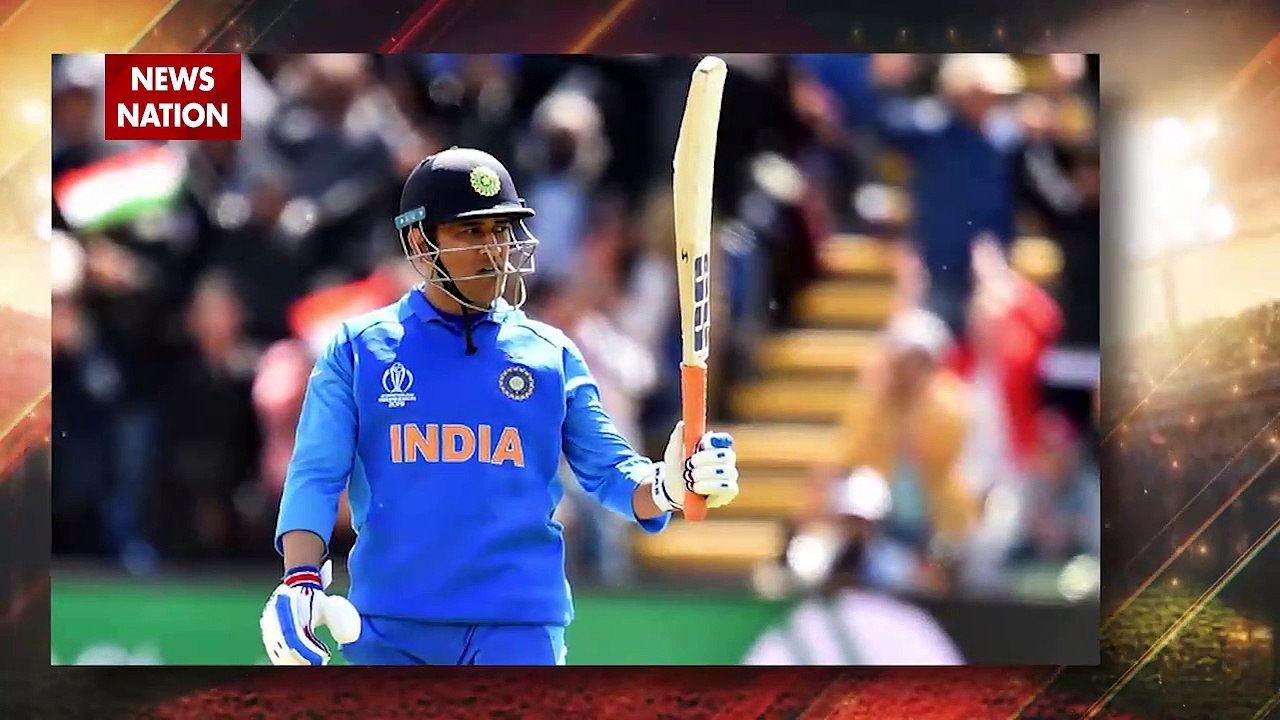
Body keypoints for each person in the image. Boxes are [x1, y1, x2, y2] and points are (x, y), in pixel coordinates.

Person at [258, 147, 741, 666]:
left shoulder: (550, 355)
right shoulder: (359, 349)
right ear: (420, 242)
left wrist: (669, 484)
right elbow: (316, 474)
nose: (493, 250)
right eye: (470, 232)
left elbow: (612, 474)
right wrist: (300, 579)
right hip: (392, 627)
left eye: (500, 230)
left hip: (518, 627)